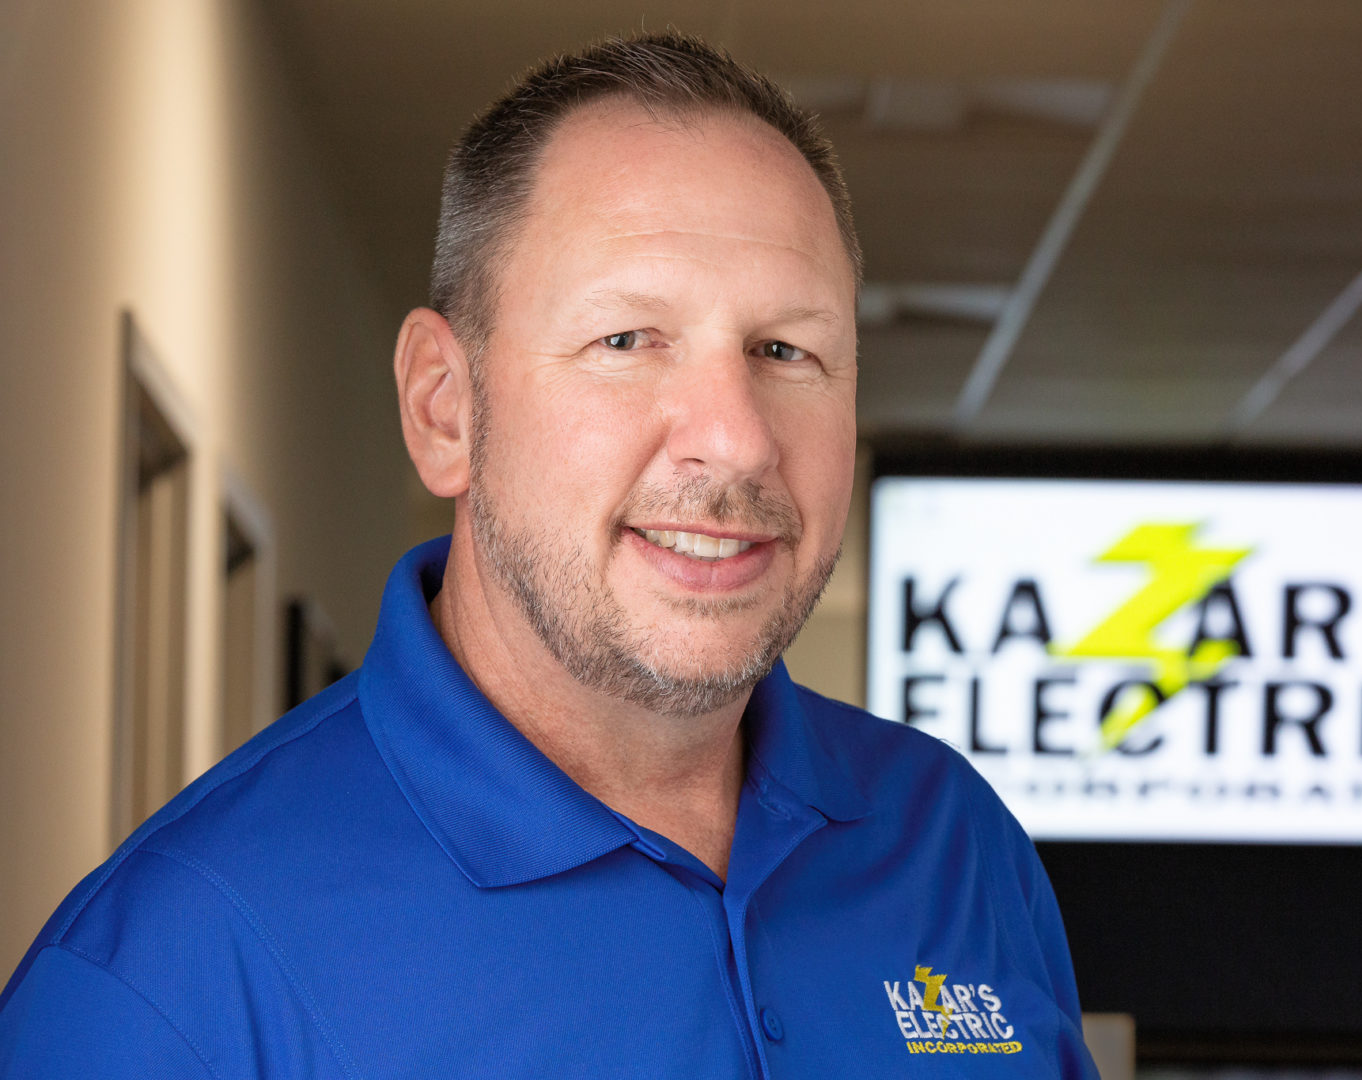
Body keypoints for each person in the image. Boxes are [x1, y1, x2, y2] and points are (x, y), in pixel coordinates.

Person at [0, 32, 1101, 1078]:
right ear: (445, 409)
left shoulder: (955, 847)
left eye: (787, 349)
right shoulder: (165, 980)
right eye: (626, 340)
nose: (736, 435)